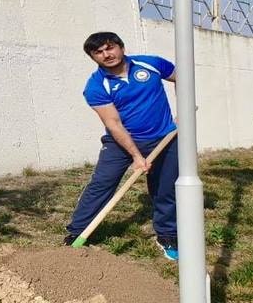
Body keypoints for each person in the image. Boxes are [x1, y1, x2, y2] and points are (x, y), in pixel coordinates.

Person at [63, 32, 179, 261]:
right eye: (99, 52)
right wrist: (136, 156)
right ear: (93, 58)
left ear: (121, 47)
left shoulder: (151, 64)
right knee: (102, 184)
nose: (107, 54)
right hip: (121, 142)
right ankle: (78, 231)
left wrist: (183, 111)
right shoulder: (96, 86)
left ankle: (166, 235)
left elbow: (181, 76)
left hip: (164, 137)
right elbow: (113, 124)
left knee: (165, 188)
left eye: (110, 47)